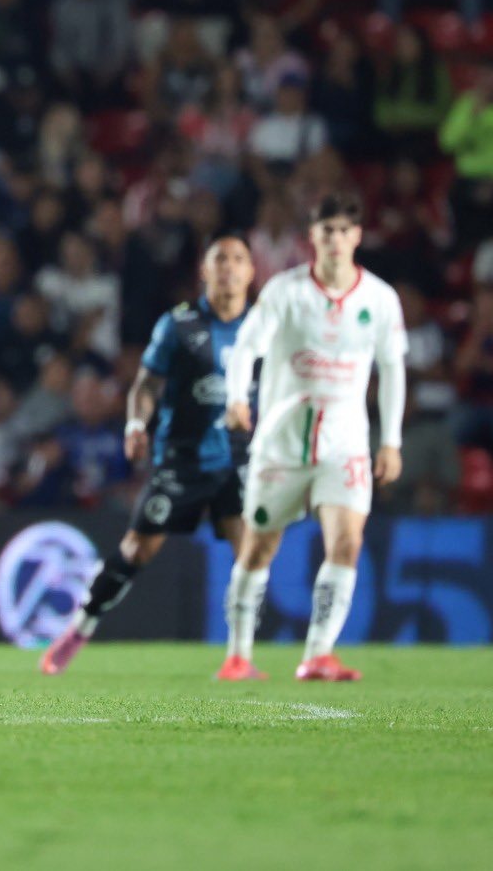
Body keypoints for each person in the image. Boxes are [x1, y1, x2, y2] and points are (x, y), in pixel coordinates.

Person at [42, 235, 256, 674]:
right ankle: (79, 627)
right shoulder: (178, 325)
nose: (230, 268)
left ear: (252, 271)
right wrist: (137, 424)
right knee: (137, 549)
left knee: (250, 554)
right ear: (204, 270)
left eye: (238, 260)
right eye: (221, 259)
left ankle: (239, 655)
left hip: (240, 460)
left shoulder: (262, 328)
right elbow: (146, 383)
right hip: (183, 458)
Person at [220, 194, 406, 682]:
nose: (336, 241)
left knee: (347, 542)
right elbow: (246, 347)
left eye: (344, 231)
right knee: (258, 547)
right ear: (313, 238)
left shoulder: (380, 299)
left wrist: (391, 441)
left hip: (345, 442)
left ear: (358, 237)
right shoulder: (286, 291)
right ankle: (238, 655)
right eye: (327, 231)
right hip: (281, 441)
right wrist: (237, 398)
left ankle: (318, 653)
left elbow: (392, 369)